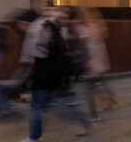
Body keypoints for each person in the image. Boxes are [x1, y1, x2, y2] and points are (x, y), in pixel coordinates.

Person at [21, 8, 92, 142]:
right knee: (55, 103)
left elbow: (35, 52)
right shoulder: (58, 31)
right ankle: (85, 122)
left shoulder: (42, 28)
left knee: (39, 106)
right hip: (55, 75)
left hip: (44, 74)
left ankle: (35, 136)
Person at [73, 8, 118, 120]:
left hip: (92, 62)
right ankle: (111, 98)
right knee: (99, 82)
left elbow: (88, 47)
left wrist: (88, 64)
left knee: (89, 87)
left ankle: (94, 113)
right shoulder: (95, 26)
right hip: (96, 60)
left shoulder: (89, 28)